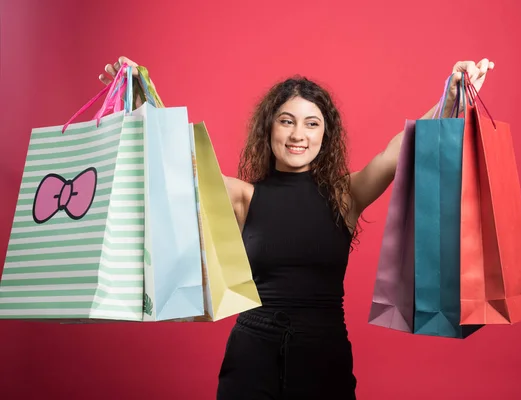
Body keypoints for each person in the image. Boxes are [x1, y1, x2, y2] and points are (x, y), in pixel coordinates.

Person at [100, 56, 494, 400]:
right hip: (252, 355)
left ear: (325, 134)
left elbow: (400, 149)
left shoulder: (346, 195)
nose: (297, 135)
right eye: (286, 122)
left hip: (324, 357)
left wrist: (452, 96)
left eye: (311, 123)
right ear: (269, 129)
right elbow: (180, 166)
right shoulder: (242, 196)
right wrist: (142, 101)